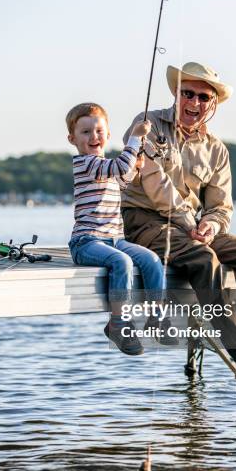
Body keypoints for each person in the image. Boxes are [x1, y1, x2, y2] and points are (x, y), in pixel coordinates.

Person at [121, 62, 236, 394]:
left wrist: (210, 224)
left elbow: (221, 206)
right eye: (187, 93)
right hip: (146, 222)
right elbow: (155, 183)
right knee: (204, 259)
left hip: (192, 228)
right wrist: (191, 223)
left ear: (214, 104)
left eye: (203, 97)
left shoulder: (217, 149)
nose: (194, 103)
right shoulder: (147, 125)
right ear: (176, 94)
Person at [66, 102, 175, 356]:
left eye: (99, 131)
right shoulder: (86, 164)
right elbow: (118, 168)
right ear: (72, 139)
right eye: (85, 132)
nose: (94, 137)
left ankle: (156, 318)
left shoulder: (106, 166)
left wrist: (136, 166)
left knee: (151, 260)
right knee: (122, 263)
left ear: (108, 135)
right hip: (86, 241)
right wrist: (135, 139)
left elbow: (123, 179)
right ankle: (118, 324)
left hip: (115, 237)